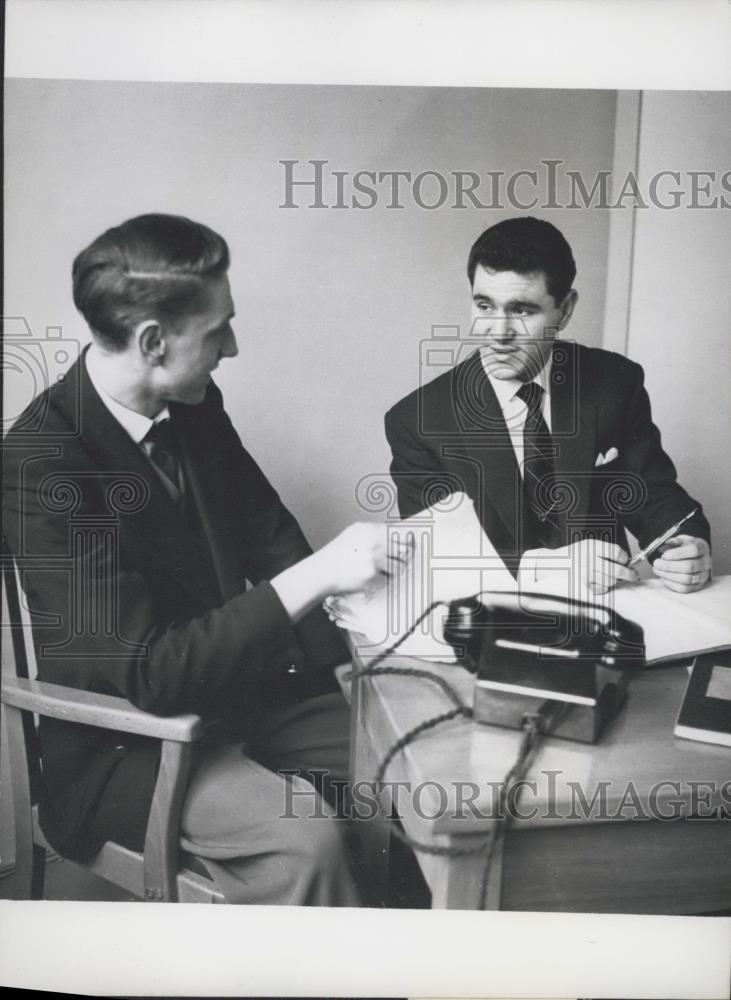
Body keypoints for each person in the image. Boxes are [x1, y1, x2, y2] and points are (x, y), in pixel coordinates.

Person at [3, 213, 412, 906]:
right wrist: (319, 575)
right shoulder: (42, 462)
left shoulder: (191, 400)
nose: (233, 345)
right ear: (154, 342)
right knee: (306, 840)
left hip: (241, 692)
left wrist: (349, 668)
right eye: (218, 329)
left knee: (409, 761)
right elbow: (150, 673)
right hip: (128, 742)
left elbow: (266, 529)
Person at [385, 216, 711, 596]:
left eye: (522, 311)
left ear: (566, 310)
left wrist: (685, 546)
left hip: (610, 615)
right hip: (489, 623)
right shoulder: (418, 421)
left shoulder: (615, 383)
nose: (499, 332)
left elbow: (653, 493)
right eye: (485, 305)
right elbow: (435, 558)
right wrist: (544, 569)